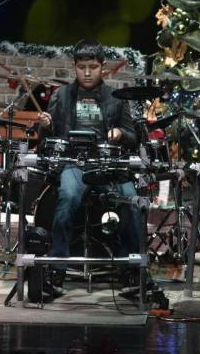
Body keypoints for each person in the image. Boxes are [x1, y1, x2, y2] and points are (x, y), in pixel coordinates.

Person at [36, 39, 142, 293]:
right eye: (82, 66)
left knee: (131, 199)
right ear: (74, 66)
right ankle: (57, 268)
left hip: (108, 164)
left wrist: (120, 133)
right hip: (74, 163)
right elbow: (45, 143)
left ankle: (131, 270)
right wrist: (46, 126)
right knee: (67, 197)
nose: (86, 72)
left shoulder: (116, 98)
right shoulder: (61, 96)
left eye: (92, 67)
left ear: (102, 67)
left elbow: (133, 136)